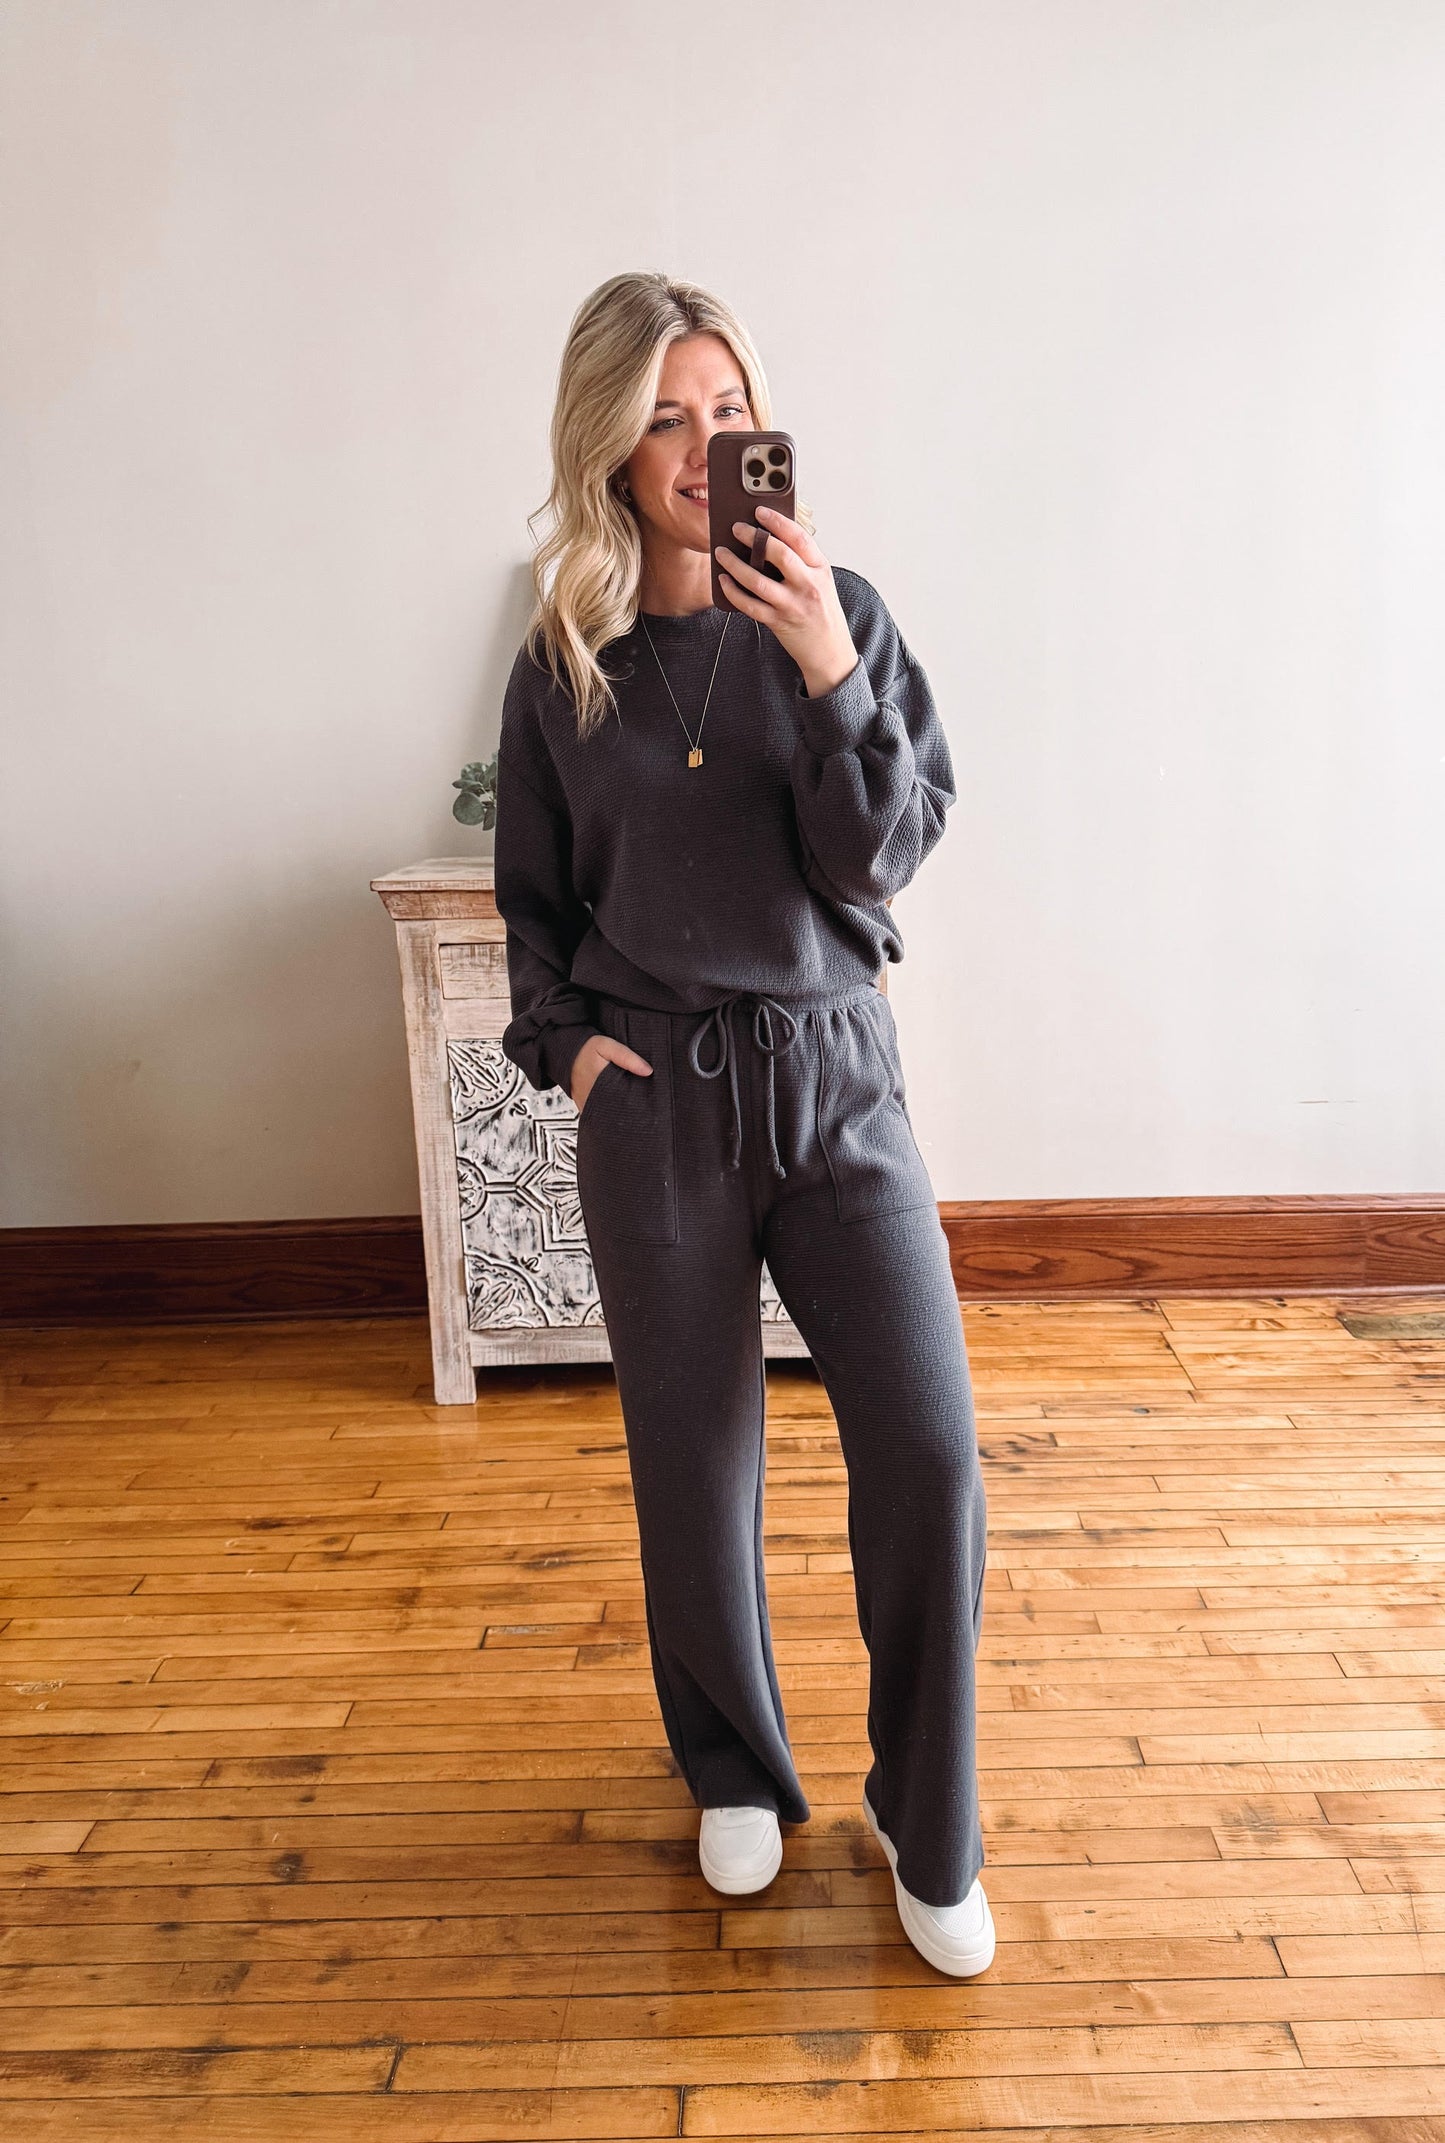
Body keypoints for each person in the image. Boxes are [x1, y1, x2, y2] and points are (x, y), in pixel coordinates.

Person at [492, 271, 992, 1977]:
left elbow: (885, 854)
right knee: (692, 1467)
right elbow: (534, 907)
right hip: (659, 1105)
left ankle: (933, 1833)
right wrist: (566, 1053)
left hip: (836, 1080)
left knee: (923, 1458)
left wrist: (828, 666)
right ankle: (732, 1769)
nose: (705, 447)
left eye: (727, 410)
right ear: (614, 450)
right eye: (666, 418)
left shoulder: (838, 610)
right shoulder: (565, 659)